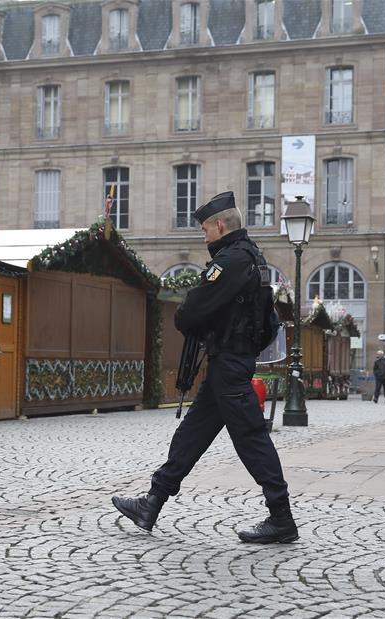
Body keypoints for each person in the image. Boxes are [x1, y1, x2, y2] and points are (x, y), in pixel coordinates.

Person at [112, 191, 298, 544]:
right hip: (230, 362)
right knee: (192, 434)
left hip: (229, 363)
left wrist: (220, 338)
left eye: (204, 229)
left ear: (219, 225)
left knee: (251, 439)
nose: (203, 235)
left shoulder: (230, 262)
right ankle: (152, 502)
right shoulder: (253, 259)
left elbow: (189, 312)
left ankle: (282, 517)